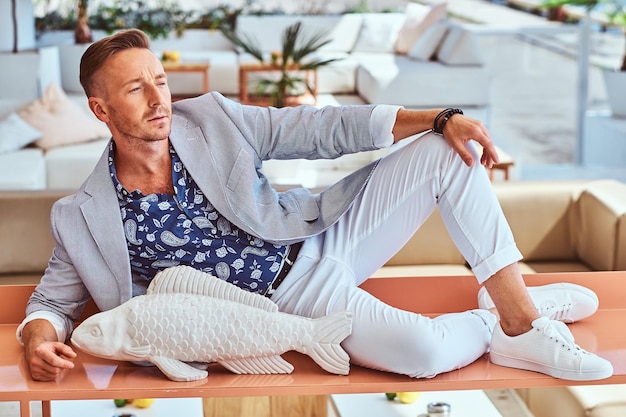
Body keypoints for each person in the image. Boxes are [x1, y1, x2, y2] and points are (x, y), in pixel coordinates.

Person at [19, 29, 612, 382]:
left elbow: (317, 126)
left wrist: (439, 116)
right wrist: (37, 338)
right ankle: (494, 321)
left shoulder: (213, 119)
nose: (159, 99)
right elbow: (50, 301)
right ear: (101, 111)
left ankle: (520, 319)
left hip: (322, 236)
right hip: (287, 306)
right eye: (135, 89)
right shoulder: (84, 213)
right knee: (425, 354)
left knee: (442, 148)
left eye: (161, 81)